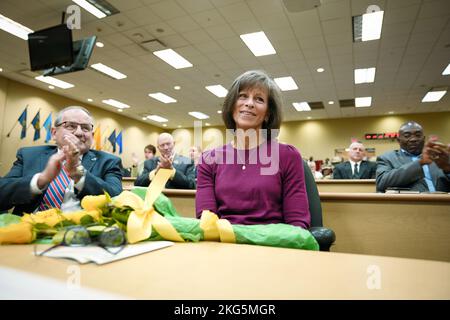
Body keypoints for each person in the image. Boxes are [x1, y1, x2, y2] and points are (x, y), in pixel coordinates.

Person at [195, 70, 310, 229]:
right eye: (243, 96)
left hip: (273, 245)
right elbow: (206, 221)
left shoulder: (287, 156)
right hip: (223, 245)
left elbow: (297, 224)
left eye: (259, 99)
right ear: (231, 106)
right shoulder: (209, 159)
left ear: (268, 114)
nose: (249, 103)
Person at [0, 106, 123, 215]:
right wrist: (41, 179)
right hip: (27, 228)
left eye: (86, 128)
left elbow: (116, 199)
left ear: (92, 135)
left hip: (79, 232)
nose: (79, 133)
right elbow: (2, 193)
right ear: (54, 133)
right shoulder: (29, 155)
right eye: (70, 126)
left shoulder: (109, 161)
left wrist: (79, 174)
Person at [376, 121, 450, 192]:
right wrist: (420, 163)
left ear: (424, 139)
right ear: (398, 140)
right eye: (407, 136)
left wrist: (447, 169)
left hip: (443, 202)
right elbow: (381, 183)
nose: (413, 139)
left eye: (418, 135)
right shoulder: (387, 158)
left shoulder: (438, 156)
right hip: (412, 203)